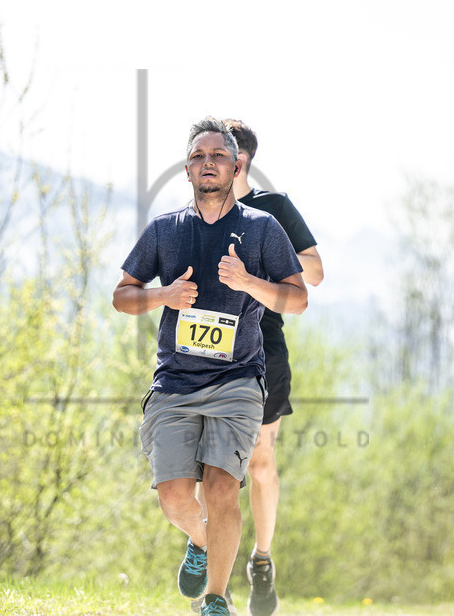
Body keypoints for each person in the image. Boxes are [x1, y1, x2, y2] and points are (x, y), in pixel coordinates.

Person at [112, 117, 307, 616]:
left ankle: (215, 599)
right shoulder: (165, 231)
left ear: (236, 164)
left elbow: (297, 298)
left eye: (218, 155)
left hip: (238, 381)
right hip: (175, 383)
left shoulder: (263, 228)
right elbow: (122, 296)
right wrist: (164, 294)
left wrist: (248, 283)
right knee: (176, 499)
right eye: (198, 156)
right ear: (187, 169)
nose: (208, 164)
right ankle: (201, 543)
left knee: (222, 490)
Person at [224, 118, 323, 616]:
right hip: (207, 354)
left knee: (259, 463)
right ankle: (211, 562)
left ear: (239, 160)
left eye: (217, 155)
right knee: (211, 468)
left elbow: (316, 273)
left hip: (264, 351)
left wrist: (263, 260)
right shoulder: (195, 212)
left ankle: (261, 561)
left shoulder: (274, 209)